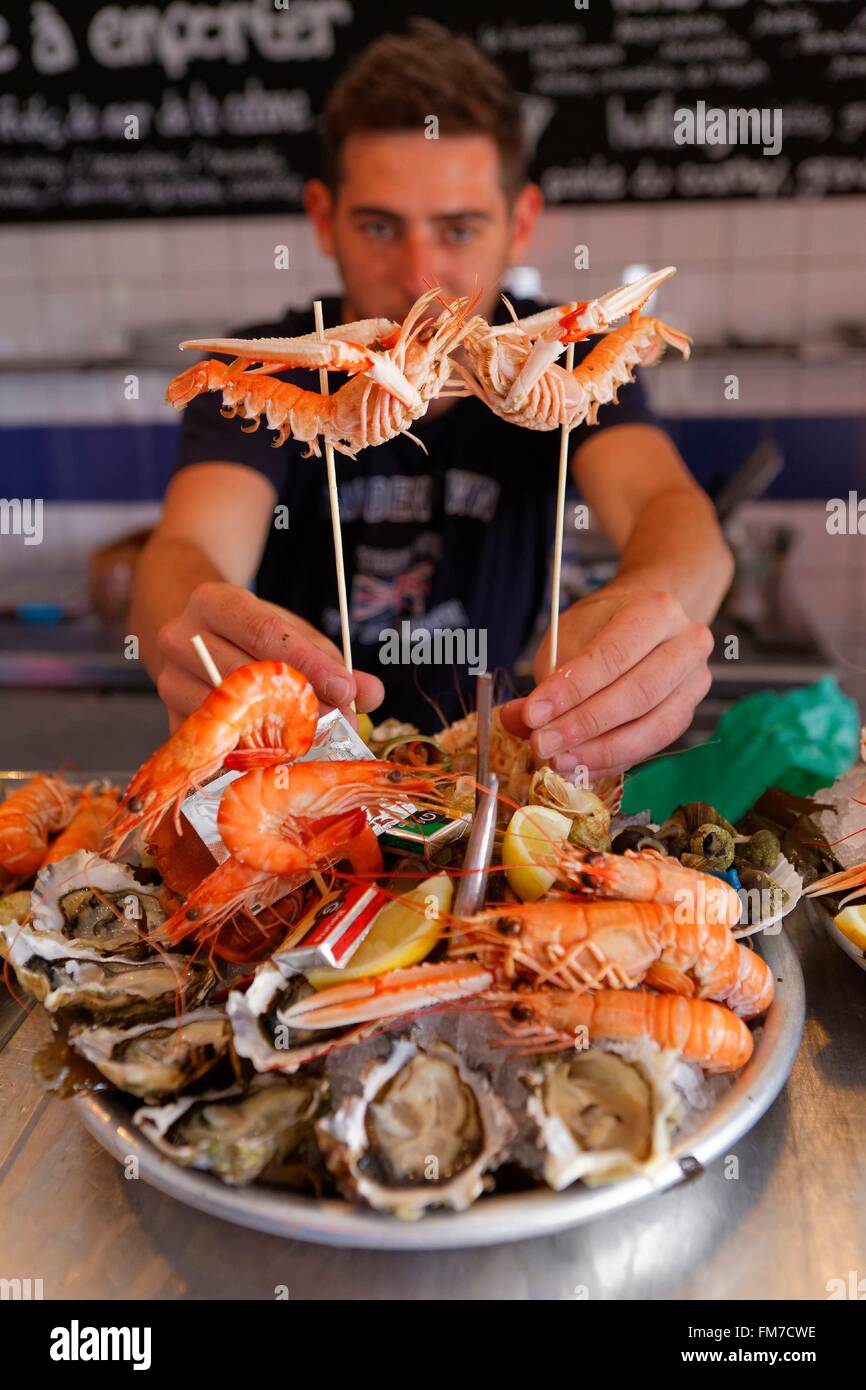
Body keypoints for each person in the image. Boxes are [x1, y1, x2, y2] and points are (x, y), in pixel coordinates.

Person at [131, 20, 732, 779]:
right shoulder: (269, 367)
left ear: (520, 224)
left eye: (458, 228)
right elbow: (184, 552)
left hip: (498, 760)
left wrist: (650, 608)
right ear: (323, 219)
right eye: (380, 226)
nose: (421, 274)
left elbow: (673, 515)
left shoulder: (564, 355)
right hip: (306, 760)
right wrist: (197, 624)